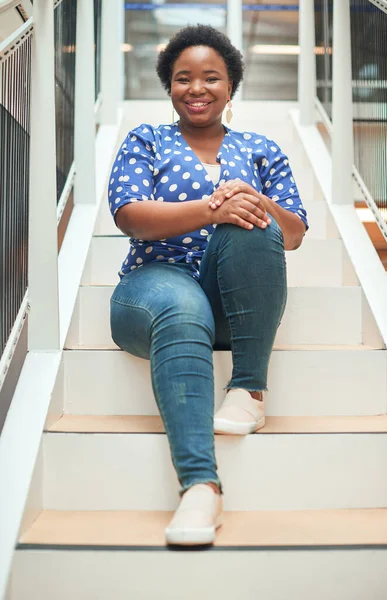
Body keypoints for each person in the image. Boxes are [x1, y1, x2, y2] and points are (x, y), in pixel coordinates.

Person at [108, 24, 308, 547]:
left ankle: (249, 389)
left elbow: (294, 236)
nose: (196, 88)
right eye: (183, 79)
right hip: (153, 288)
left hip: (231, 300)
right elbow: (131, 216)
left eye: (211, 78)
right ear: (169, 87)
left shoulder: (261, 150)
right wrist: (212, 207)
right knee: (181, 305)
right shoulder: (146, 140)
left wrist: (254, 203)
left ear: (231, 85)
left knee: (252, 221)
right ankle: (200, 485)